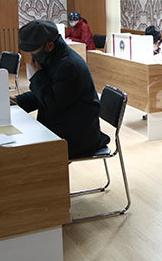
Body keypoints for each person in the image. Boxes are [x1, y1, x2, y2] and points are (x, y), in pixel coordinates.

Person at [12, 20, 110, 159]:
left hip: (78, 135)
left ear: (49, 45)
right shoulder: (53, 58)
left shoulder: (68, 66)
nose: (32, 55)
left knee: (25, 153)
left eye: (33, 50)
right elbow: (43, 94)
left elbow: (51, 103)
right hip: (64, 124)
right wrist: (17, 101)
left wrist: (37, 76)